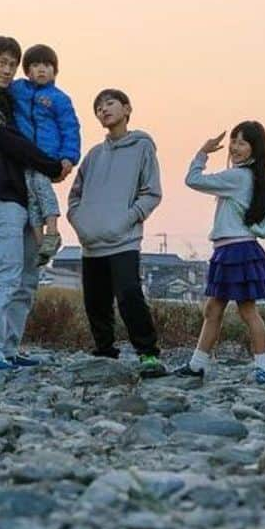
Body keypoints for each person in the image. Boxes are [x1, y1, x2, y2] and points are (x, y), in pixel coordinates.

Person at [0, 36, 70, 372]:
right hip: (1, 195)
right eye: (1, 62)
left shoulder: (10, 98)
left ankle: (8, 347)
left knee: (27, 278)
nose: (7, 69)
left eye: (12, 63)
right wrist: (52, 165)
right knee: (7, 272)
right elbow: (11, 143)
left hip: (24, 196)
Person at [67, 88, 167, 378]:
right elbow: (75, 196)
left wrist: (126, 220)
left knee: (129, 295)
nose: (103, 110)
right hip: (91, 242)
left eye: (109, 103)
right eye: (98, 107)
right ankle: (104, 353)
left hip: (123, 240)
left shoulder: (142, 147)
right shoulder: (94, 155)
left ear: (126, 108)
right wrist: (80, 222)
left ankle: (148, 354)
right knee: (95, 302)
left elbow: (151, 193)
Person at [174, 121, 265, 384]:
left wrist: (203, 152)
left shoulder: (237, 177)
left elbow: (193, 180)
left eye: (242, 142)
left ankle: (262, 370)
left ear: (255, 150)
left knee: (244, 312)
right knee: (216, 309)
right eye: (234, 140)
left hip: (235, 250)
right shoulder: (251, 177)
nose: (234, 146)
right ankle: (200, 364)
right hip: (235, 249)